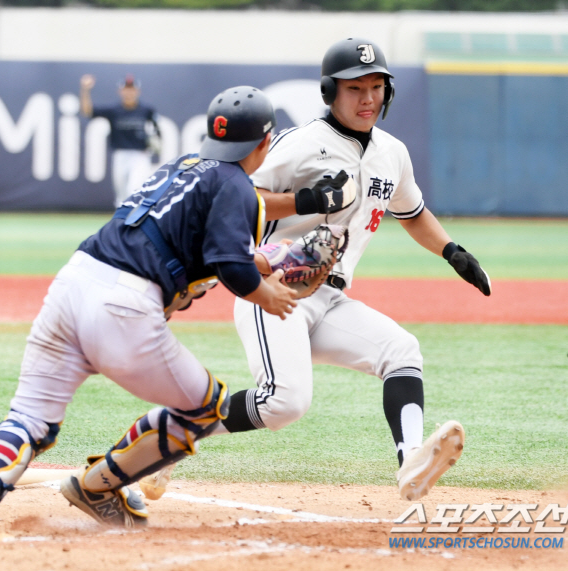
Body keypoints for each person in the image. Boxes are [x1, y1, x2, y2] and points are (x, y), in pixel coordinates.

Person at [0, 86, 299, 539]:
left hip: (73, 283)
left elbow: (198, 249)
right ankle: (97, 486)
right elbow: (230, 266)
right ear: (265, 143)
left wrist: (262, 260)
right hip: (124, 305)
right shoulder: (235, 184)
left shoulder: (182, 166)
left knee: (28, 418)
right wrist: (269, 294)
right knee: (204, 409)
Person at [141, 38, 491, 503]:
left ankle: (411, 463)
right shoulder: (300, 144)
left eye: (377, 87)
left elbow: (412, 213)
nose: (368, 99)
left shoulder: (393, 154)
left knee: (402, 351)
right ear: (330, 92)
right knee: (284, 403)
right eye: (355, 89)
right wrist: (303, 201)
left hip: (330, 296)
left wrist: (452, 251)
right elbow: (236, 197)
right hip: (273, 290)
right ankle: (168, 435)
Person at [80, 73, 161, 207]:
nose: (129, 92)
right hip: (120, 156)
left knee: (134, 190)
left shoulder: (146, 110)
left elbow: (156, 130)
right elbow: (87, 111)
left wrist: (156, 143)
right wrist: (85, 90)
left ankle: (135, 224)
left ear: (137, 91)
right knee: (121, 197)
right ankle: (121, 225)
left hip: (140, 156)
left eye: (132, 89)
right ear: (120, 91)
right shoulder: (114, 110)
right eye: (126, 89)